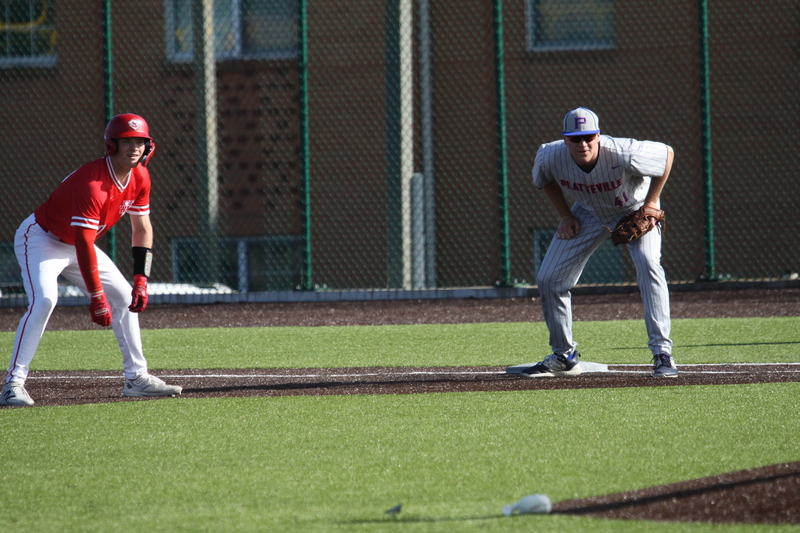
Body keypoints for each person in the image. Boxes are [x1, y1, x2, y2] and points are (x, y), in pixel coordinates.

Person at [1, 114, 183, 406]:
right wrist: (97, 297)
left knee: (125, 297)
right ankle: (13, 384)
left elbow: (142, 228)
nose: (134, 148)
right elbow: (85, 241)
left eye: (140, 141)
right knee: (45, 300)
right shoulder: (93, 182)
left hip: (76, 243)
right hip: (41, 239)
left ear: (148, 146)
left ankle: (136, 379)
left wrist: (141, 278)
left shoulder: (140, 177)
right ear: (112, 145)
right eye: (126, 141)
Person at [517, 107, 678, 378]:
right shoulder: (549, 154)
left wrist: (651, 204)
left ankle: (662, 353)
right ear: (565, 139)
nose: (583, 144)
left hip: (635, 209)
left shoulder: (624, 151)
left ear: (598, 136)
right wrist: (564, 216)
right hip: (589, 212)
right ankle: (564, 355)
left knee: (648, 263)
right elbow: (543, 180)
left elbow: (667, 155)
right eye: (575, 138)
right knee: (549, 278)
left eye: (589, 137)